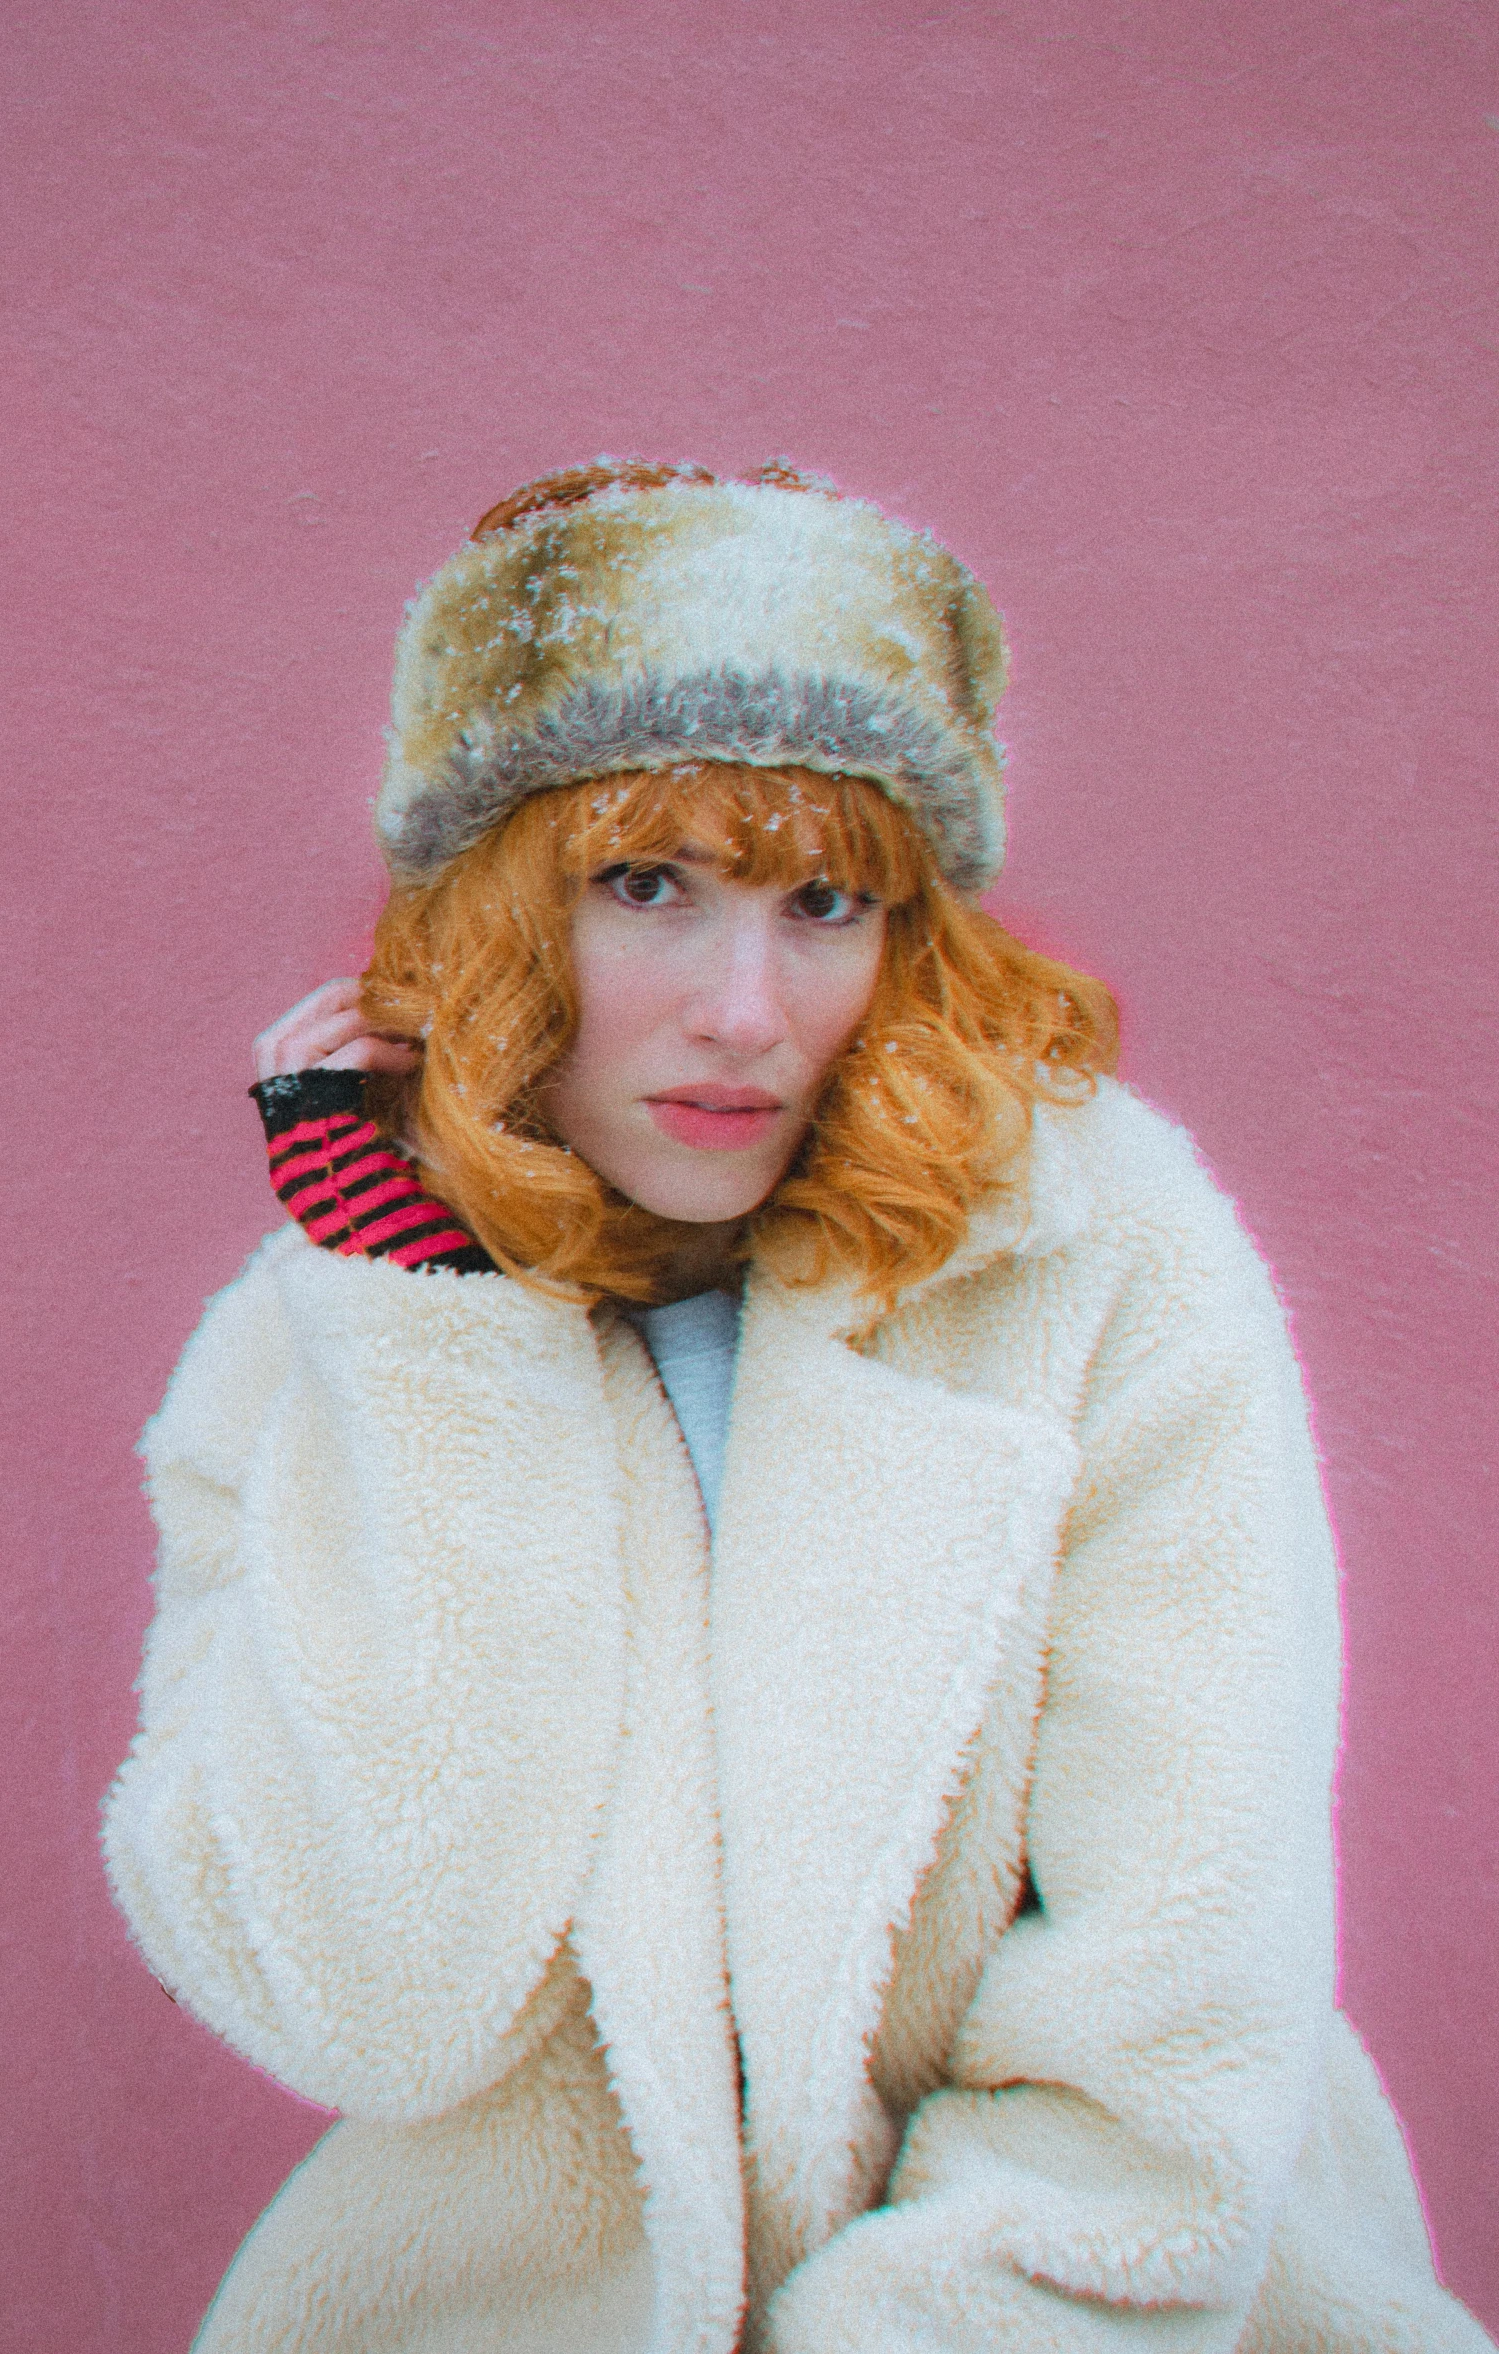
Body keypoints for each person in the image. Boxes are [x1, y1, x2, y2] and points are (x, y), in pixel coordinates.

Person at [102, 460, 1492, 2354]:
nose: (747, 1009)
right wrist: (436, 1330)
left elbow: (1171, 2026)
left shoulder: (1095, 1269)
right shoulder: (318, 1350)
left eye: (824, 899)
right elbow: (375, 2000)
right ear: (503, 913)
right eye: (645, 886)